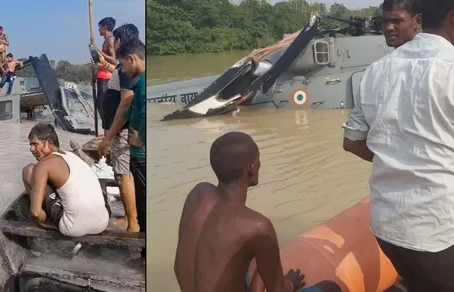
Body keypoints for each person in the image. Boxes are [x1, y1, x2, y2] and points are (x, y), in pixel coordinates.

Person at [342, 0, 454, 291]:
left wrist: (396, 159)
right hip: (438, 230)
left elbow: (351, 141)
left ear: (419, 20)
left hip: (387, 227)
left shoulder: (376, 71)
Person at [174, 132, 339, 292]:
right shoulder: (258, 226)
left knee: (253, 258)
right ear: (250, 168)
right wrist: (289, 284)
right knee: (331, 288)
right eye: (258, 159)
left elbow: (178, 267)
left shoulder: (198, 193)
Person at [22, 123, 110, 237]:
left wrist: (41, 219)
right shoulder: (73, 156)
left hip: (73, 228)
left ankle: (46, 224)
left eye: (35, 144)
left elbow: (35, 212)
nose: (31, 149)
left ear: (49, 143)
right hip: (102, 222)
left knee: (28, 170)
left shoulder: (43, 165)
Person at [96, 23, 141, 232]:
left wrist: (108, 137)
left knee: (124, 176)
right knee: (123, 173)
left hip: (120, 130)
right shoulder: (126, 66)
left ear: (120, 41)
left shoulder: (127, 67)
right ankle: (129, 217)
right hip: (118, 129)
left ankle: (133, 224)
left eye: (115, 39)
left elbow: (125, 102)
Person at [119, 39, 146, 265]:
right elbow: (133, 113)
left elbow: (146, 111)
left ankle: (147, 258)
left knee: (145, 207)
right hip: (138, 157)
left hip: (142, 156)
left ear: (132, 59)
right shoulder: (140, 83)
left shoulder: (144, 82)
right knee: (143, 203)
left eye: (123, 65)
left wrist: (140, 137)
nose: (123, 71)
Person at [95, 17, 117, 123]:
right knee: (100, 105)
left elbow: (113, 60)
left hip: (106, 77)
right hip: (101, 76)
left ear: (105, 27)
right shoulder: (105, 41)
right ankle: (107, 132)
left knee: (104, 106)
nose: (99, 30)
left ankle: (111, 132)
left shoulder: (110, 40)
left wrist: (98, 51)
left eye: (100, 28)